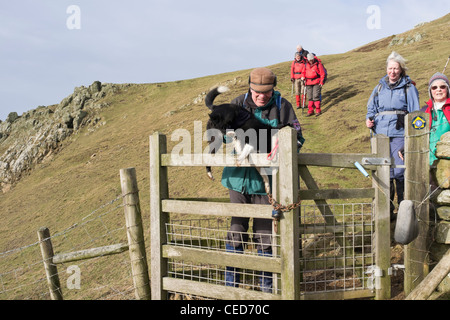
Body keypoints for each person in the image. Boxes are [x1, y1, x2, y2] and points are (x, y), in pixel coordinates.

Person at [222, 67, 305, 292]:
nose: (261, 96)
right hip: (238, 178)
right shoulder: (238, 103)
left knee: (265, 234)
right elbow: (221, 132)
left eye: (266, 92)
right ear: (250, 87)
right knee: (237, 229)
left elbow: (299, 139)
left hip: (267, 181)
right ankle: (231, 287)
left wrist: (281, 141)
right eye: (256, 91)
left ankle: (267, 289)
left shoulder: (282, 107)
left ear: (273, 88)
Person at [366, 51, 420, 220]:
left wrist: (410, 138)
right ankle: (386, 211)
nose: (393, 72)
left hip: (399, 134)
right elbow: (371, 107)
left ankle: (404, 209)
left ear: (401, 69)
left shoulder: (409, 87)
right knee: (383, 171)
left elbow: (415, 113)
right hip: (381, 135)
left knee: (398, 172)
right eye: (390, 68)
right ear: (386, 69)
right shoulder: (379, 87)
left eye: (396, 68)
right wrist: (369, 119)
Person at [421, 72, 450, 166]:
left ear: (448, 89)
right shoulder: (424, 111)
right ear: (430, 91)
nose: (439, 90)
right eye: (434, 87)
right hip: (428, 160)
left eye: (442, 87)